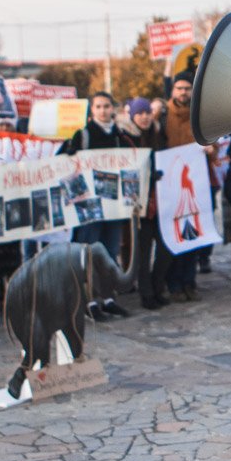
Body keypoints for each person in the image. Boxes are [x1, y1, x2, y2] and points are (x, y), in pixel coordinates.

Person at [60, 91, 135, 319]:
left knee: (110, 252)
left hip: (113, 206)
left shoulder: (120, 135)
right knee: (89, 253)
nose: (103, 110)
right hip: (90, 209)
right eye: (99, 107)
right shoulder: (83, 135)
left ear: (113, 108)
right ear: (92, 110)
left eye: (107, 106)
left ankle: (108, 297)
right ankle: (88, 301)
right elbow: (63, 163)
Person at [163, 71, 217, 301]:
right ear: (173, 91)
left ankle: (189, 281)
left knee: (194, 232)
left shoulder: (200, 115)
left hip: (197, 183)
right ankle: (173, 283)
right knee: (175, 233)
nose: (183, 93)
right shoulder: (163, 115)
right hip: (170, 183)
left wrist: (210, 150)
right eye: (179, 89)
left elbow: (212, 145)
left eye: (187, 88)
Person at [125, 98, 168, 310]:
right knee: (143, 253)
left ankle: (158, 286)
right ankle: (147, 293)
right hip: (139, 207)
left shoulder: (159, 135)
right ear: (133, 115)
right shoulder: (127, 139)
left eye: (147, 113)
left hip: (160, 202)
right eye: (140, 113)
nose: (144, 117)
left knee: (165, 249)